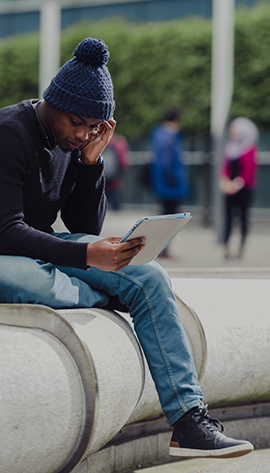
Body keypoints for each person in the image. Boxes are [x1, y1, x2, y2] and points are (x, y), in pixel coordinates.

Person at [0, 37, 253, 459]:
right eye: (76, 123)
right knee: (30, 278)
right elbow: (7, 230)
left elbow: (83, 227)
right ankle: (110, 294)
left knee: (148, 275)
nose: (81, 134)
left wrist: (90, 164)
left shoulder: (76, 144)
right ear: (52, 102)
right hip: (7, 250)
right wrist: (87, 257)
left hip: (38, 246)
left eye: (93, 128)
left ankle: (189, 422)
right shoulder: (10, 133)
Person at [150, 107, 190, 258]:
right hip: (172, 185)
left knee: (164, 216)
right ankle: (164, 249)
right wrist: (174, 178)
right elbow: (168, 162)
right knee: (171, 219)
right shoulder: (171, 136)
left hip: (161, 184)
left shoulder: (157, 134)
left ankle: (161, 249)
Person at [220, 117, 259, 259]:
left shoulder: (250, 148)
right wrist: (225, 182)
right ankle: (226, 246)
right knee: (227, 218)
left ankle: (241, 247)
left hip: (243, 189)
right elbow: (225, 168)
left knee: (243, 218)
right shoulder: (229, 147)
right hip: (229, 188)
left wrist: (236, 184)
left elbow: (248, 171)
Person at [103, 133, 130, 210]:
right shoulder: (119, 141)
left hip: (101, 176)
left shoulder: (98, 140)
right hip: (115, 178)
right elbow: (123, 162)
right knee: (116, 201)